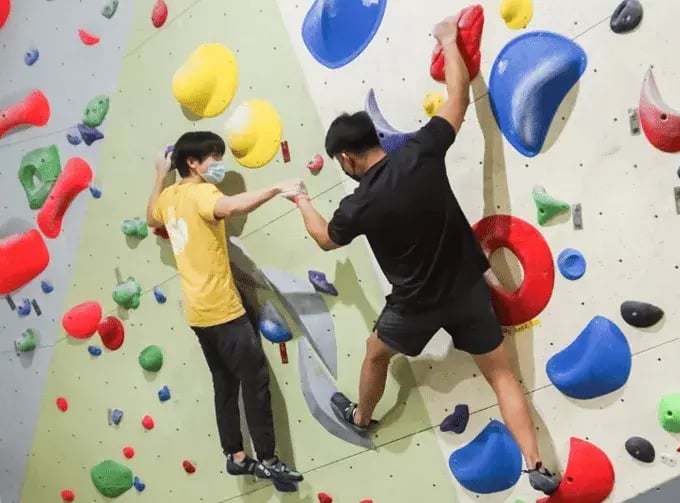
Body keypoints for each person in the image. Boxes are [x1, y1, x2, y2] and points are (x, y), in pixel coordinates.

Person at [289, 16, 562, 496]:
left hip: (414, 303)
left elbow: (325, 239)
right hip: (466, 288)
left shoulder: (358, 203)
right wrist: (449, 40)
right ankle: (536, 463)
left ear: (347, 160)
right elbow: (457, 99)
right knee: (502, 376)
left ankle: (361, 416)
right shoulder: (421, 151)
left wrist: (302, 201)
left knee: (376, 354)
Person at [145, 131, 305, 491]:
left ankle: (234, 455)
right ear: (193, 162)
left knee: (225, 383)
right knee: (255, 382)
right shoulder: (203, 193)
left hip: (198, 313)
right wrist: (278, 188)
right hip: (223, 310)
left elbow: (150, 218)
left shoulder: (170, 195)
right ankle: (268, 460)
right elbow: (232, 207)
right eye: (213, 157)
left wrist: (160, 173)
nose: (219, 164)